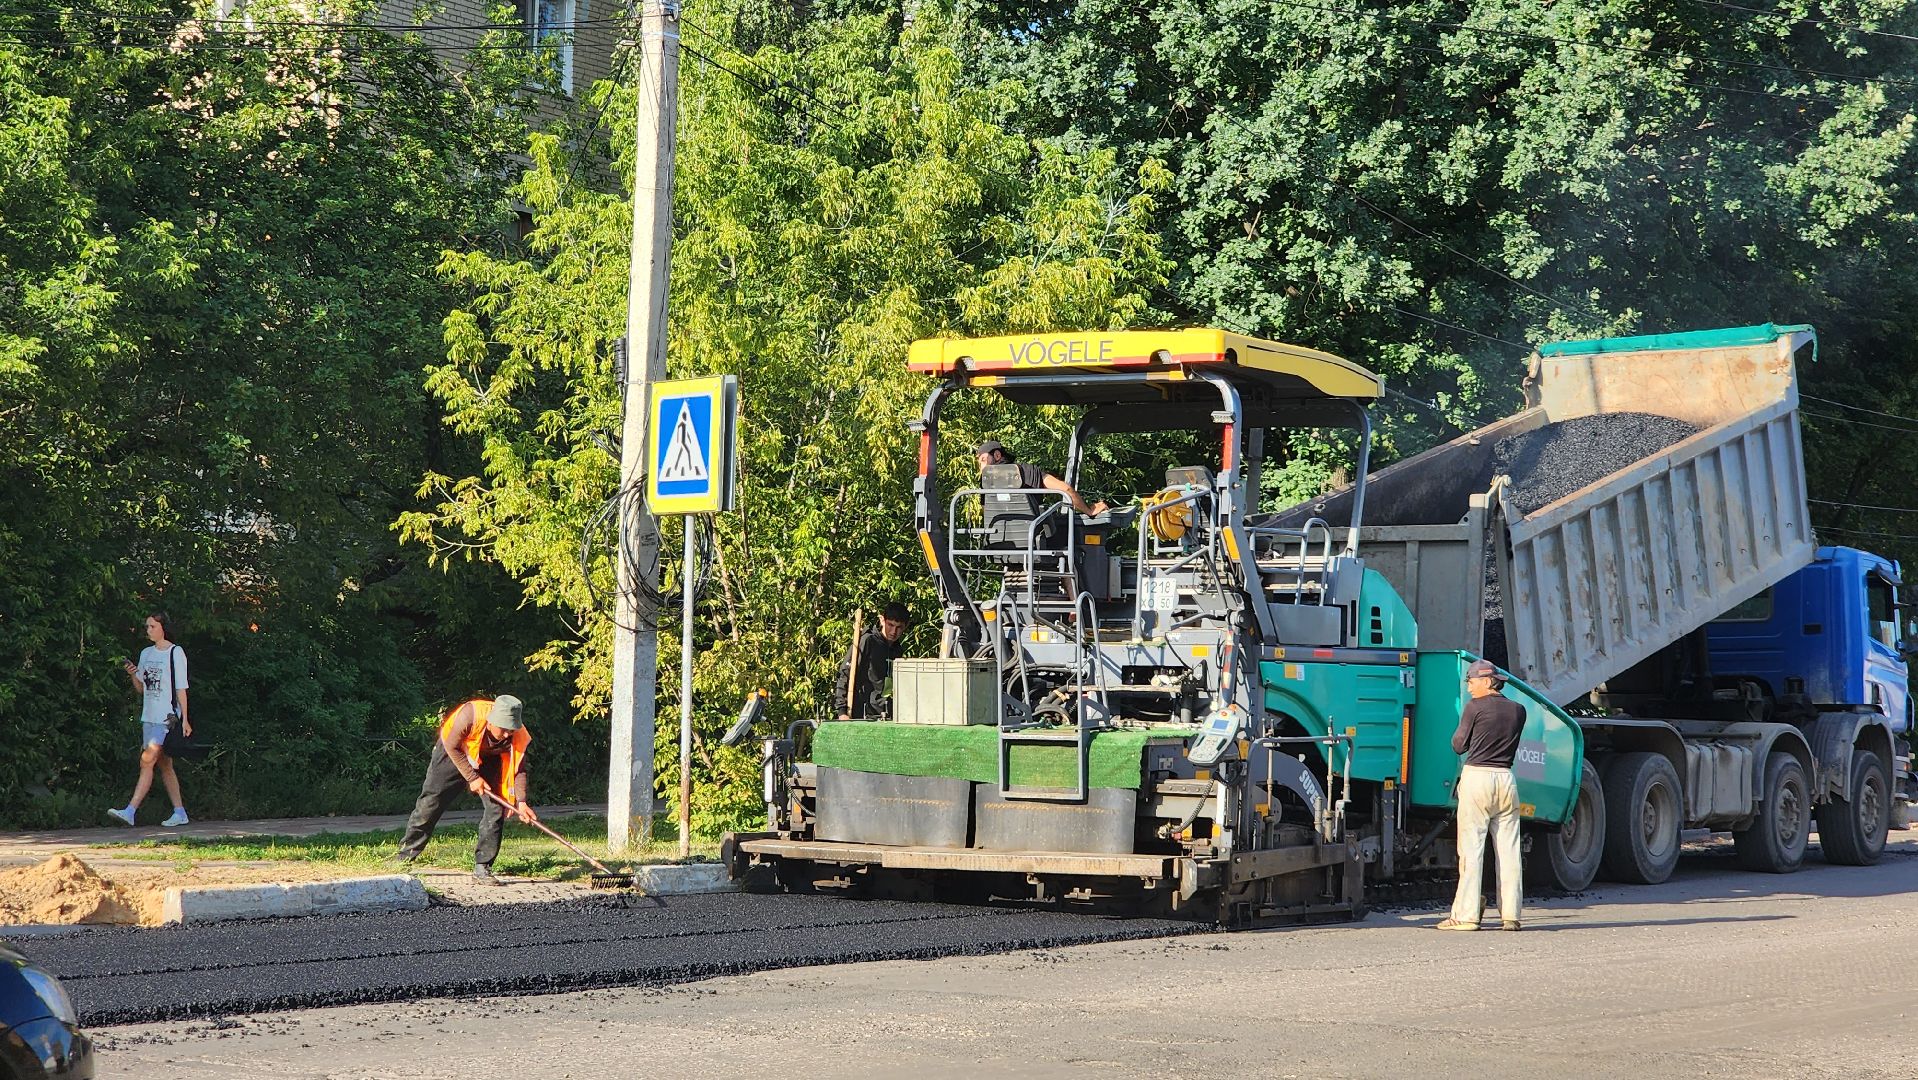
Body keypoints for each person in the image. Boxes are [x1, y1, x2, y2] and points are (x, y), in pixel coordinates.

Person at [392, 695, 536, 885]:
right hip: (454, 752)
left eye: (511, 730)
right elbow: (452, 746)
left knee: (496, 809)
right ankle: (404, 856)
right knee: (430, 803)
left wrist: (522, 801)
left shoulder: (518, 734)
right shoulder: (470, 715)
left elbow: (518, 769)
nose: (507, 735)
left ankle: (482, 867)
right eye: (503, 729)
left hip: (489, 759)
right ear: (492, 722)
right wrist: (473, 777)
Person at [1436, 659, 1526, 931]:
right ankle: (1511, 915)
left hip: (1478, 778)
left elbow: (1458, 745)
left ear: (1487, 681)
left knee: (1471, 850)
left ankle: (1466, 916)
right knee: (1509, 850)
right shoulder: (1518, 710)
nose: (1469, 686)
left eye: (1472, 681)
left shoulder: (1475, 707)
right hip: (1506, 780)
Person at [107, 613, 191, 828]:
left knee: (146, 760)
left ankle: (130, 810)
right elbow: (142, 689)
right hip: (149, 716)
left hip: (167, 718)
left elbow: (181, 688)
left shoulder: (175, 653)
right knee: (165, 765)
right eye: (147, 626)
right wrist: (133, 674)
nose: (148, 630)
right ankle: (180, 812)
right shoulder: (146, 653)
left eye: (152, 626)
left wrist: (185, 720)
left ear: (163, 627)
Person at [974, 440, 1105, 516]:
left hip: (1000, 542)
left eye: (983, 460)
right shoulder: (1026, 471)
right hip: (1034, 541)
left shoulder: (986, 483)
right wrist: (1089, 510)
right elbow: (1066, 490)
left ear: (997, 455)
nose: (981, 467)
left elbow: (988, 514)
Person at [834, 602, 909, 720]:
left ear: (905, 627)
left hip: (886, 714)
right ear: (882, 621)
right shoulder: (868, 641)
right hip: (863, 714)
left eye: (898, 627)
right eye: (890, 625)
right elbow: (845, 673)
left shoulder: (897, 650)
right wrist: (842, 711)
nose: (893, 631)